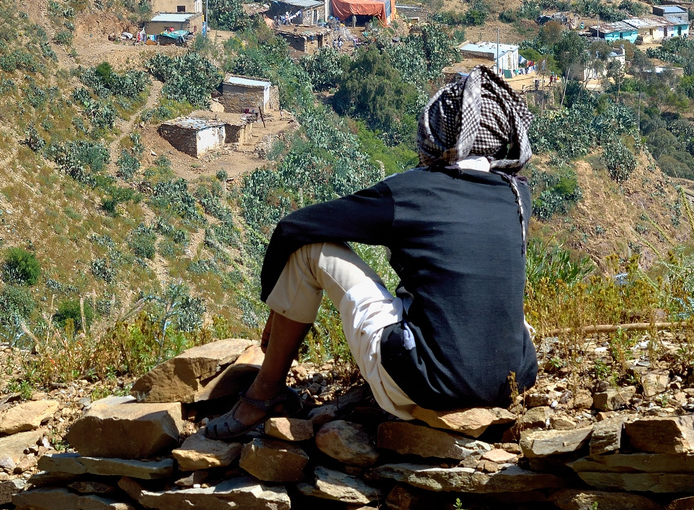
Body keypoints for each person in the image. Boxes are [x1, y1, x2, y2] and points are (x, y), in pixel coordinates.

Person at [205, 67, 540, 438]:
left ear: (435, 129)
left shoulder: (411, 192)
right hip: (515, 379)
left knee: (312, 250)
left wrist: (275, 304)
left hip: (425, 384)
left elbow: (294, 228)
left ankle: (263, 394)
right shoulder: (516, 194)